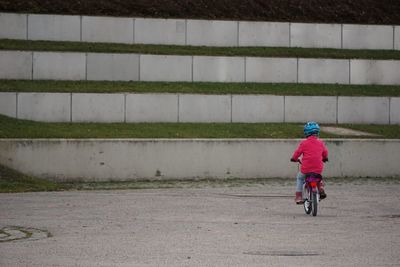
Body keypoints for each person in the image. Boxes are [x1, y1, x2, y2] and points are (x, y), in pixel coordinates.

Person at [290, 121, 329, 204]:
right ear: (317, 132)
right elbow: (325, 153)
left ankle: (299, 196)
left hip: (306, 168)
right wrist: (325, 158)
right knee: (318, 176)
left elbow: (297, 153)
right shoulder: (321, 143)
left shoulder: (304, 143)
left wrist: (294, 158)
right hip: (318, 167)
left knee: (300, 178)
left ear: (306, 133)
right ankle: (321, 187)